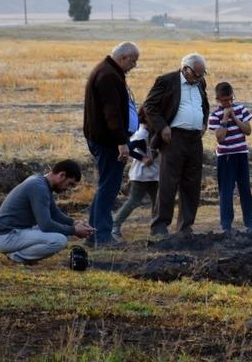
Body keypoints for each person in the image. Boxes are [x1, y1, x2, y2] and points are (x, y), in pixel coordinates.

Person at [144, 53, 210, 236]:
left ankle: (185, 226)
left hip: (195, 139)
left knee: (192, 183)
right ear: (185, 69)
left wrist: (204, 122)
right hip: (173, 138)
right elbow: (149, 107)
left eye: (202, 75)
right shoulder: (166, 81)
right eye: (196, 74)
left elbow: (205, 105)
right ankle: (159, 225)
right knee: (168, 182)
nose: (199, 78)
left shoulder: (200, 83)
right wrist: (163, 127)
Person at [83, 41, 140, 246]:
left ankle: (92, 235)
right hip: (108, 143)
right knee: (108, 188)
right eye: (133, 61)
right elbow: (112, 113)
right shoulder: (108, 76)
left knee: (105, 187)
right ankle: (103, 237)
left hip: (104, 140)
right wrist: (121, 142)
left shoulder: (108, 71)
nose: (134, 66)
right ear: (123, 58)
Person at [0, 160, 95, 265]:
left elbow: (55, 214)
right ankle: (17, 257)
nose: (68, 189)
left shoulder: (41, 182)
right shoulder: (39, 188)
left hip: (15, 232)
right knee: (59, 240)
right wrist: (74, 230)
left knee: (62, 230)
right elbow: (45, 225)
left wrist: (75, 223)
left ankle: (19, 254)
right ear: (61, 175)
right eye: (69, 184)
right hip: (7, 236)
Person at [208, 81, 252, 234]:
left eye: (230, 99)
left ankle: (250, 223)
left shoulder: (241, 109)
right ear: (217, 99)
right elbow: (220, 138)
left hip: (241, 154)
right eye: (224, 100)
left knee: (245, 190)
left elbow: (248, 131)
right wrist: (224, 119)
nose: (228, 102)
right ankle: (226, 225)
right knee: (226, 192)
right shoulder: (215, 115)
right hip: (226, 157)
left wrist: (234, 118)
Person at [111, 106, 160, 240]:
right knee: (134, 200)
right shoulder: (141, 134)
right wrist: (142, 158)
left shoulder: (152, 132)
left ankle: (157, 227)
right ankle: (115, 225)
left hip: (154, 174)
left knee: (157, 201)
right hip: (142, 175)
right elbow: (129, 149)